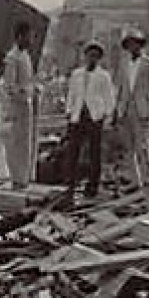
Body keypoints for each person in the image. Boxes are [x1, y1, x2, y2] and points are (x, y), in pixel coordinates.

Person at [113, 27, 149, 202]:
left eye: (136, 44)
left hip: (143, 110)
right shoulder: (124, 65)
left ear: (141, 45)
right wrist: (116, 110)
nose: (133, 47)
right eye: (130, 45)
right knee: (129, 148)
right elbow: (119, 89)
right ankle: (135, 180)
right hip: (126, 109)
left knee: (144, 147)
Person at [62, 41, 115, 198]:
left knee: (94, 152)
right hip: (78, 115)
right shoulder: (76, 74)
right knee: (73, 151)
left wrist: (106, 116)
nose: (92, 59)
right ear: (85, 57)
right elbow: (71, 94)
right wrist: (69, 111)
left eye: (95, 57)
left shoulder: (103, 76)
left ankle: (92, 186)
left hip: (94, 116)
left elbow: (109, 98)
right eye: (89, 56)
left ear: (99, 59)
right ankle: (69, 183)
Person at [1, 22, 38, 190]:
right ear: (20, 37)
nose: (32, 40)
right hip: (18, 105)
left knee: (26, 142)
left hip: (26, 104)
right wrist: (24, 93)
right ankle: (17, 178)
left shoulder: (26, 56)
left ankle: (24, 178)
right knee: (17, 142)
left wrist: (33, 90)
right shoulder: (12, 58)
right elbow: (10, 86)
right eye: (29, 36)